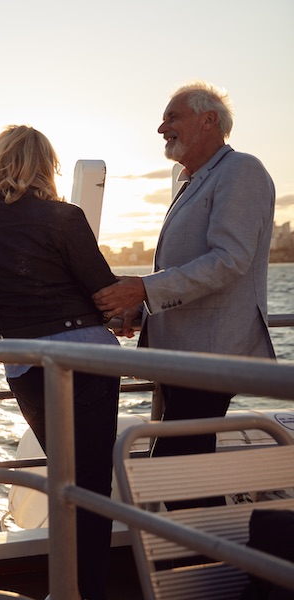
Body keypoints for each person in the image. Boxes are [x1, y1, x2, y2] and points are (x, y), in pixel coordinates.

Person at [92, 81, 276, 508]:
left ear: (208, 120)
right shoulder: (193, 182)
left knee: (177, 470)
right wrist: (141, 308)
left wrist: (144, 287)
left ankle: (202, 566)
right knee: (185, 470)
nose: (161, 127)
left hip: (211, 353)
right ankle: (204, 562)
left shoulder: (241, 170)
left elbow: (229, 260)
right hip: (180, 355)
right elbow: (187, 270)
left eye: (172, 117)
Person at [0, 125, 120, 600]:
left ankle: (66, 587)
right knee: (91, 486)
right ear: (45, 166)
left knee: (64, 479)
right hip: (85, 356)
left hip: (27, 366)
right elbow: (102, 287)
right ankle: (88, 590)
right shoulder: (64, 218)